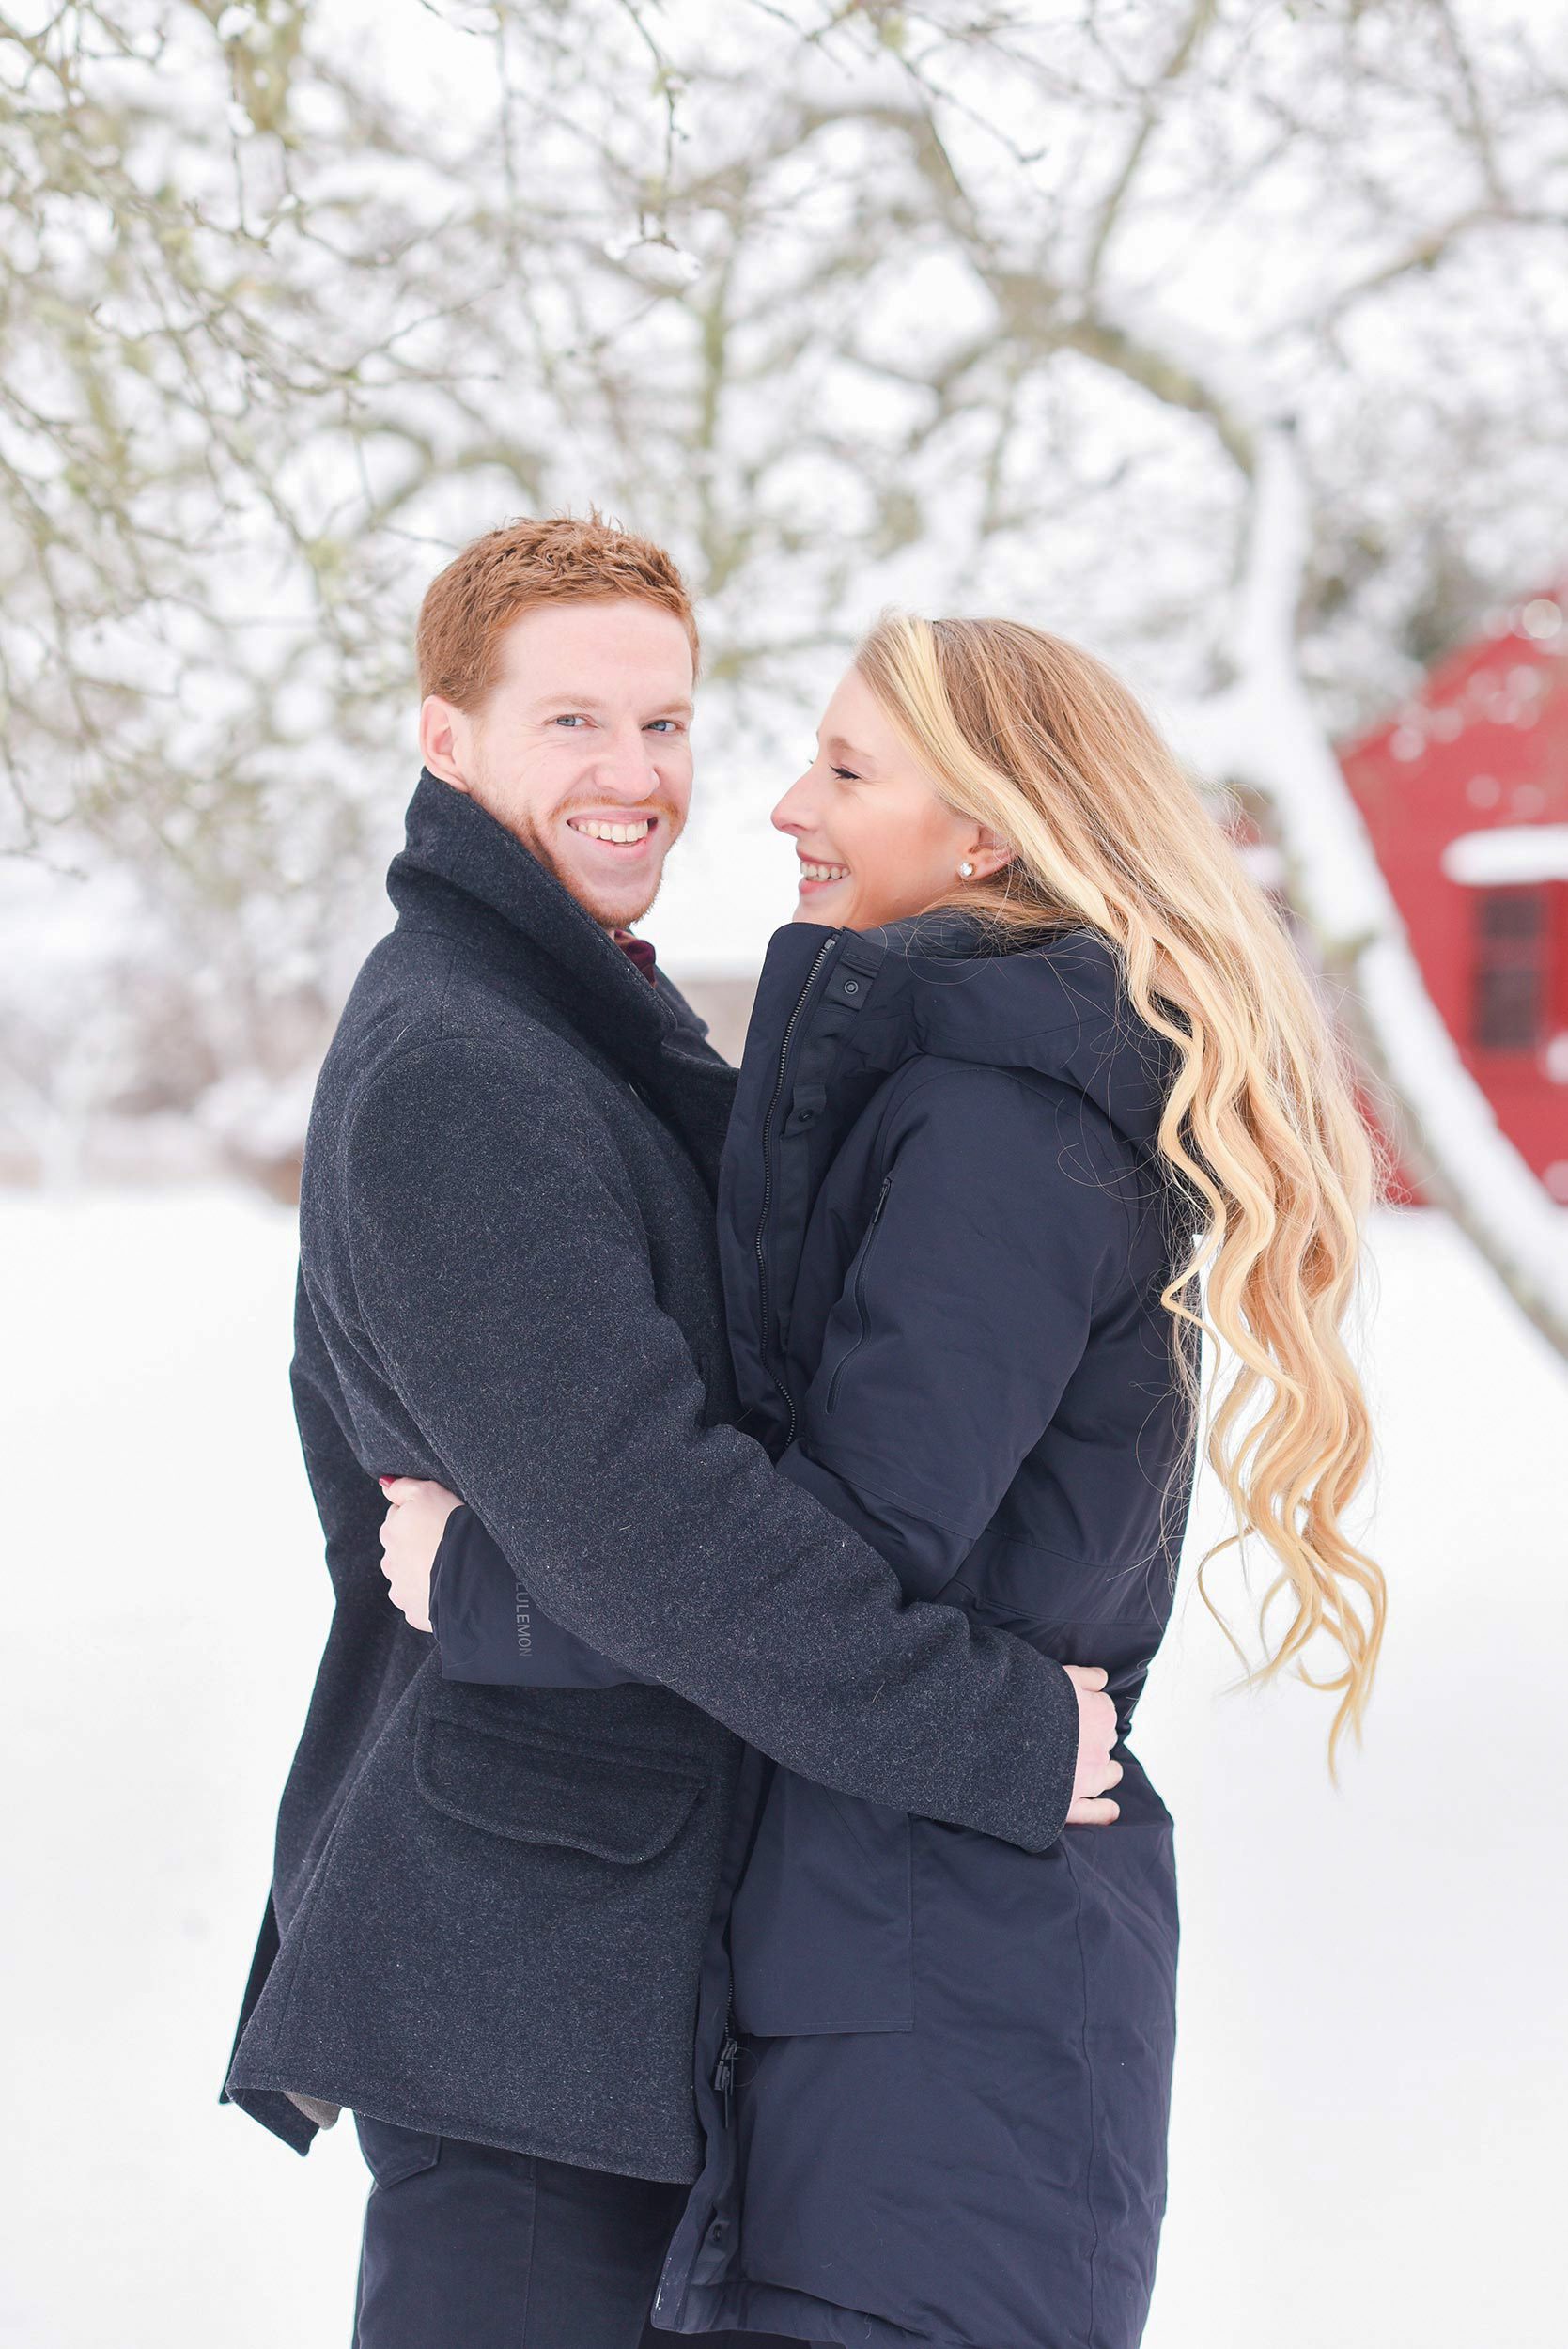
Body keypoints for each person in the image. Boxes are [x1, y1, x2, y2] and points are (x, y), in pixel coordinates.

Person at [382, 612, 1386, 2347]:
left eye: (846, 769)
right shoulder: (953, 1090)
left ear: (981, 832)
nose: (781, 802)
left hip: (940, 2012)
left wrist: (481, 1580)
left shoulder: (999, 1126)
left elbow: (844, 1554)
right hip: (889, 1955)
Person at [221, 520, 1126, 2349]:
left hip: (622, 1971)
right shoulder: (462, 1069)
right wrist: (999, 1730)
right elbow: (658, 1533)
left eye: (665, 720)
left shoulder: (587, 1019)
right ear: (447, 739)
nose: (635, 774)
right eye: (570, 720)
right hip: (521, 1986)